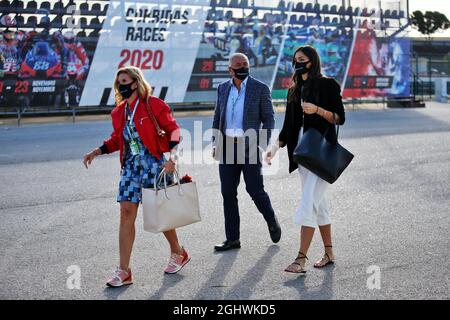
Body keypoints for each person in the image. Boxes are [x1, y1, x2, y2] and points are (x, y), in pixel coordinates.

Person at [83, 66, 190, 287]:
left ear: (135, 82)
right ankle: (124, 271)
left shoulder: (154, 105)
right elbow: (116, 140)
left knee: (159, 213)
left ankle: (178, 252)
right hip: (131, 168)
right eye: (118, 81)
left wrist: (173, 158)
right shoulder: (119, 112)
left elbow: (175, 131)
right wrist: (98, 150)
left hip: (154, 164)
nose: (121, 85)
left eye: (125, 80)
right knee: (125, 213)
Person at [265, 45, 346, 273]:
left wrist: (317, 110)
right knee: (319, 204)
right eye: (295, 59)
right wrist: (274, 148)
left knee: (309, 201)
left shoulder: (328, 84)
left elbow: (340, 118)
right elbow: (288, 126)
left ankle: (300, 258)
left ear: (313, 61)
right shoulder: (294, 89)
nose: (298, 62)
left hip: (320, 153)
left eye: (303, 59)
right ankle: (329, 252)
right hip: (300, 154)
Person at [212, 53, 281, 251]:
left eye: (245, 64)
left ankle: (271, 220)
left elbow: (269, 119)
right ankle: (233, 239)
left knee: (254, 189)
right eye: (238, 65)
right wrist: (215, 142)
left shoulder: (260, 88)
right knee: (228, 193)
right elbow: (218, 116)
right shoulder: (223, 88)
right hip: (227, 147)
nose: (243, 67)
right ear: (230, 69)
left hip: (250, 145)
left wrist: (262, 143)